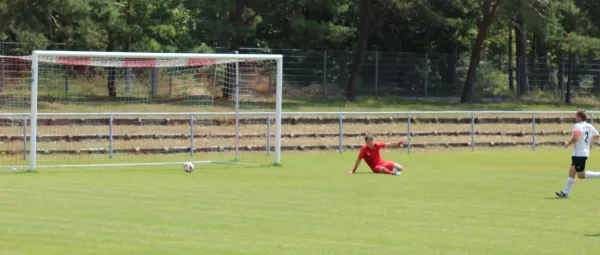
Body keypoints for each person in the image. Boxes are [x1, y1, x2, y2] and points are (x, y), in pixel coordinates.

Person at [556, 110, 600, 198]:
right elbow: (597, 135)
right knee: (572, 171)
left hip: (579, 154)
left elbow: (575, 138)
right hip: (582, 153)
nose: (575, 117)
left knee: (580, 175)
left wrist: (567, 144)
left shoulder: (577, 126)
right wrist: (590, 142)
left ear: (579, 117)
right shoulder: (589, 126)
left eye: (576, 116)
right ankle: (565, 193)